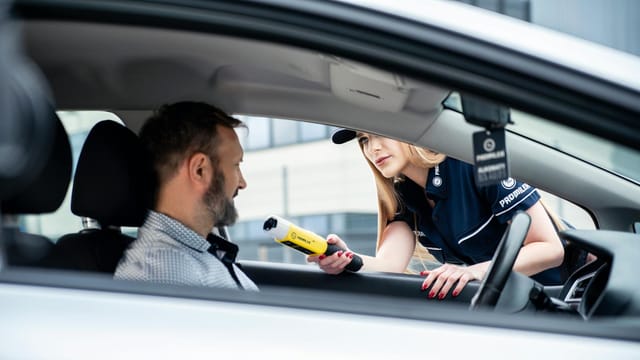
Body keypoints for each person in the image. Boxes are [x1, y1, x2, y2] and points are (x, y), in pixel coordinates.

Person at [307, 129, 565, 299]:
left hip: (573, 292)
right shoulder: (403, 196)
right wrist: (344, 258)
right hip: (520, 302)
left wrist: (473, 272)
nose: (372, 148)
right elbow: (388, 266)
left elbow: (550, 248)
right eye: (364, 140)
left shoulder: (476, 159)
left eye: (380, 133)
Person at [115, 101, 258, 291]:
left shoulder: (197, 253)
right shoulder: (161, 272)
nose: (242, 183)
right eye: (236, 165)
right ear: (200, 170)